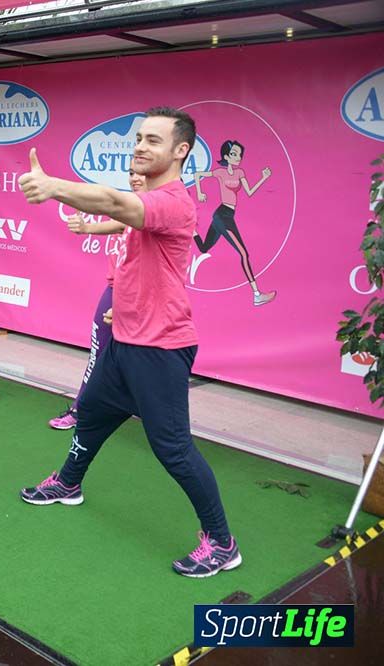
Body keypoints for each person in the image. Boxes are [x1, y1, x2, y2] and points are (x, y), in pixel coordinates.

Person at [17, 107, 240, 579]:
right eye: (139, 138)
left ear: (180, 151)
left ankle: (222, 542)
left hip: (160, 348)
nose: (140, 146)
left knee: (173, 448)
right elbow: (139, 258)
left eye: (153, 140)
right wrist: (128, 308)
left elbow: (117, 206)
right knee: (93, 414)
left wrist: (55, 186)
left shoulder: (175, 202)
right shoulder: (152, 197)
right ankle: (69, 484)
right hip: (125, 337)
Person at [49, 169, 146, 430]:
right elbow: (116, 222)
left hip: (137, 297)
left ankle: (148, 413)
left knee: (143, 358)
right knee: (100, 352)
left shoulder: (156, 214)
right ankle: (80, 409)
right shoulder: (133, 211)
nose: (135, 178)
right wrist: (86, 228)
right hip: (116, 290)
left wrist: (125, 302)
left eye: (142, 174)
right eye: (131, 173)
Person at [192, 140, 275, 306]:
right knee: (244, 254)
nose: (238, 157)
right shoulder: (220, 173)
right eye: (234, 154)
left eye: (239, 155)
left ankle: (190, 229)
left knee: (204, 248)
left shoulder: (240, 173)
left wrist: (263, 178)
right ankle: (257, 295)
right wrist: (200, 193)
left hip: (227, 215)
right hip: (222, 215)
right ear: (226, 156)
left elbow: (249, 192)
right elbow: (197, 175)